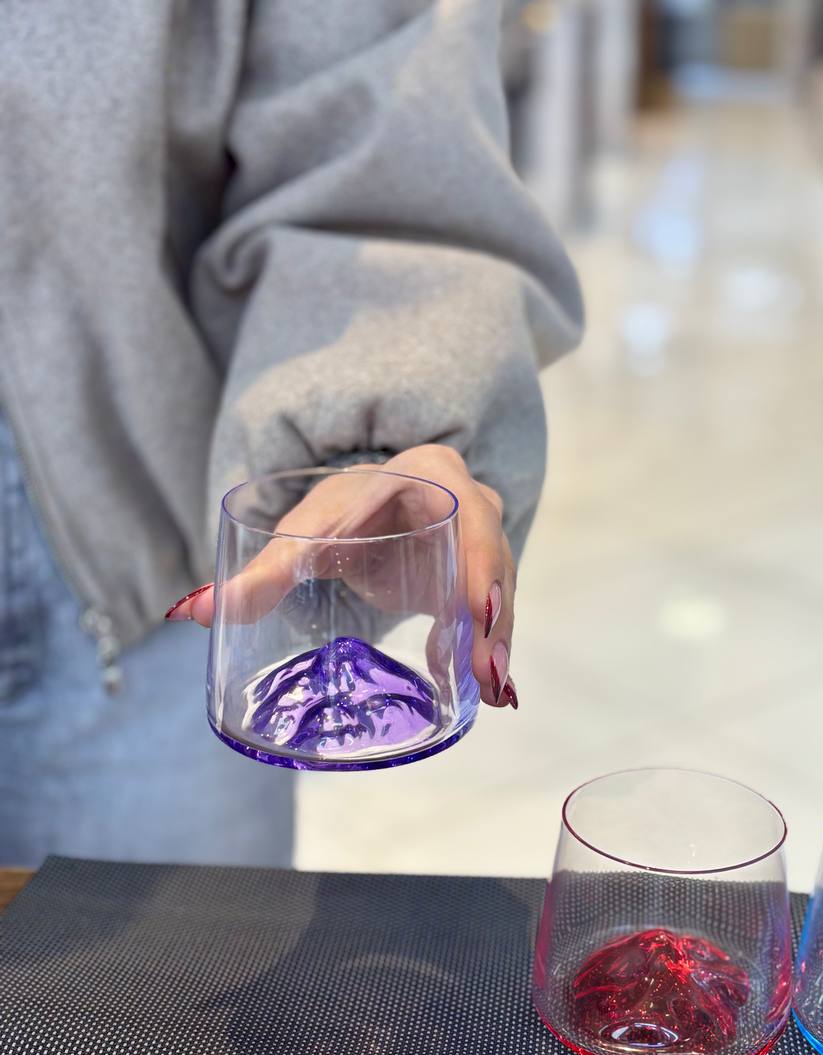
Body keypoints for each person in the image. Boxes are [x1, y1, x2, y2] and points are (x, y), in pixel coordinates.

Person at [0, 1, 582, 868]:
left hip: (132, 569)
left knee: (182, 955)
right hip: (135, 575)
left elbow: (379, 145)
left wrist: (363, 447)